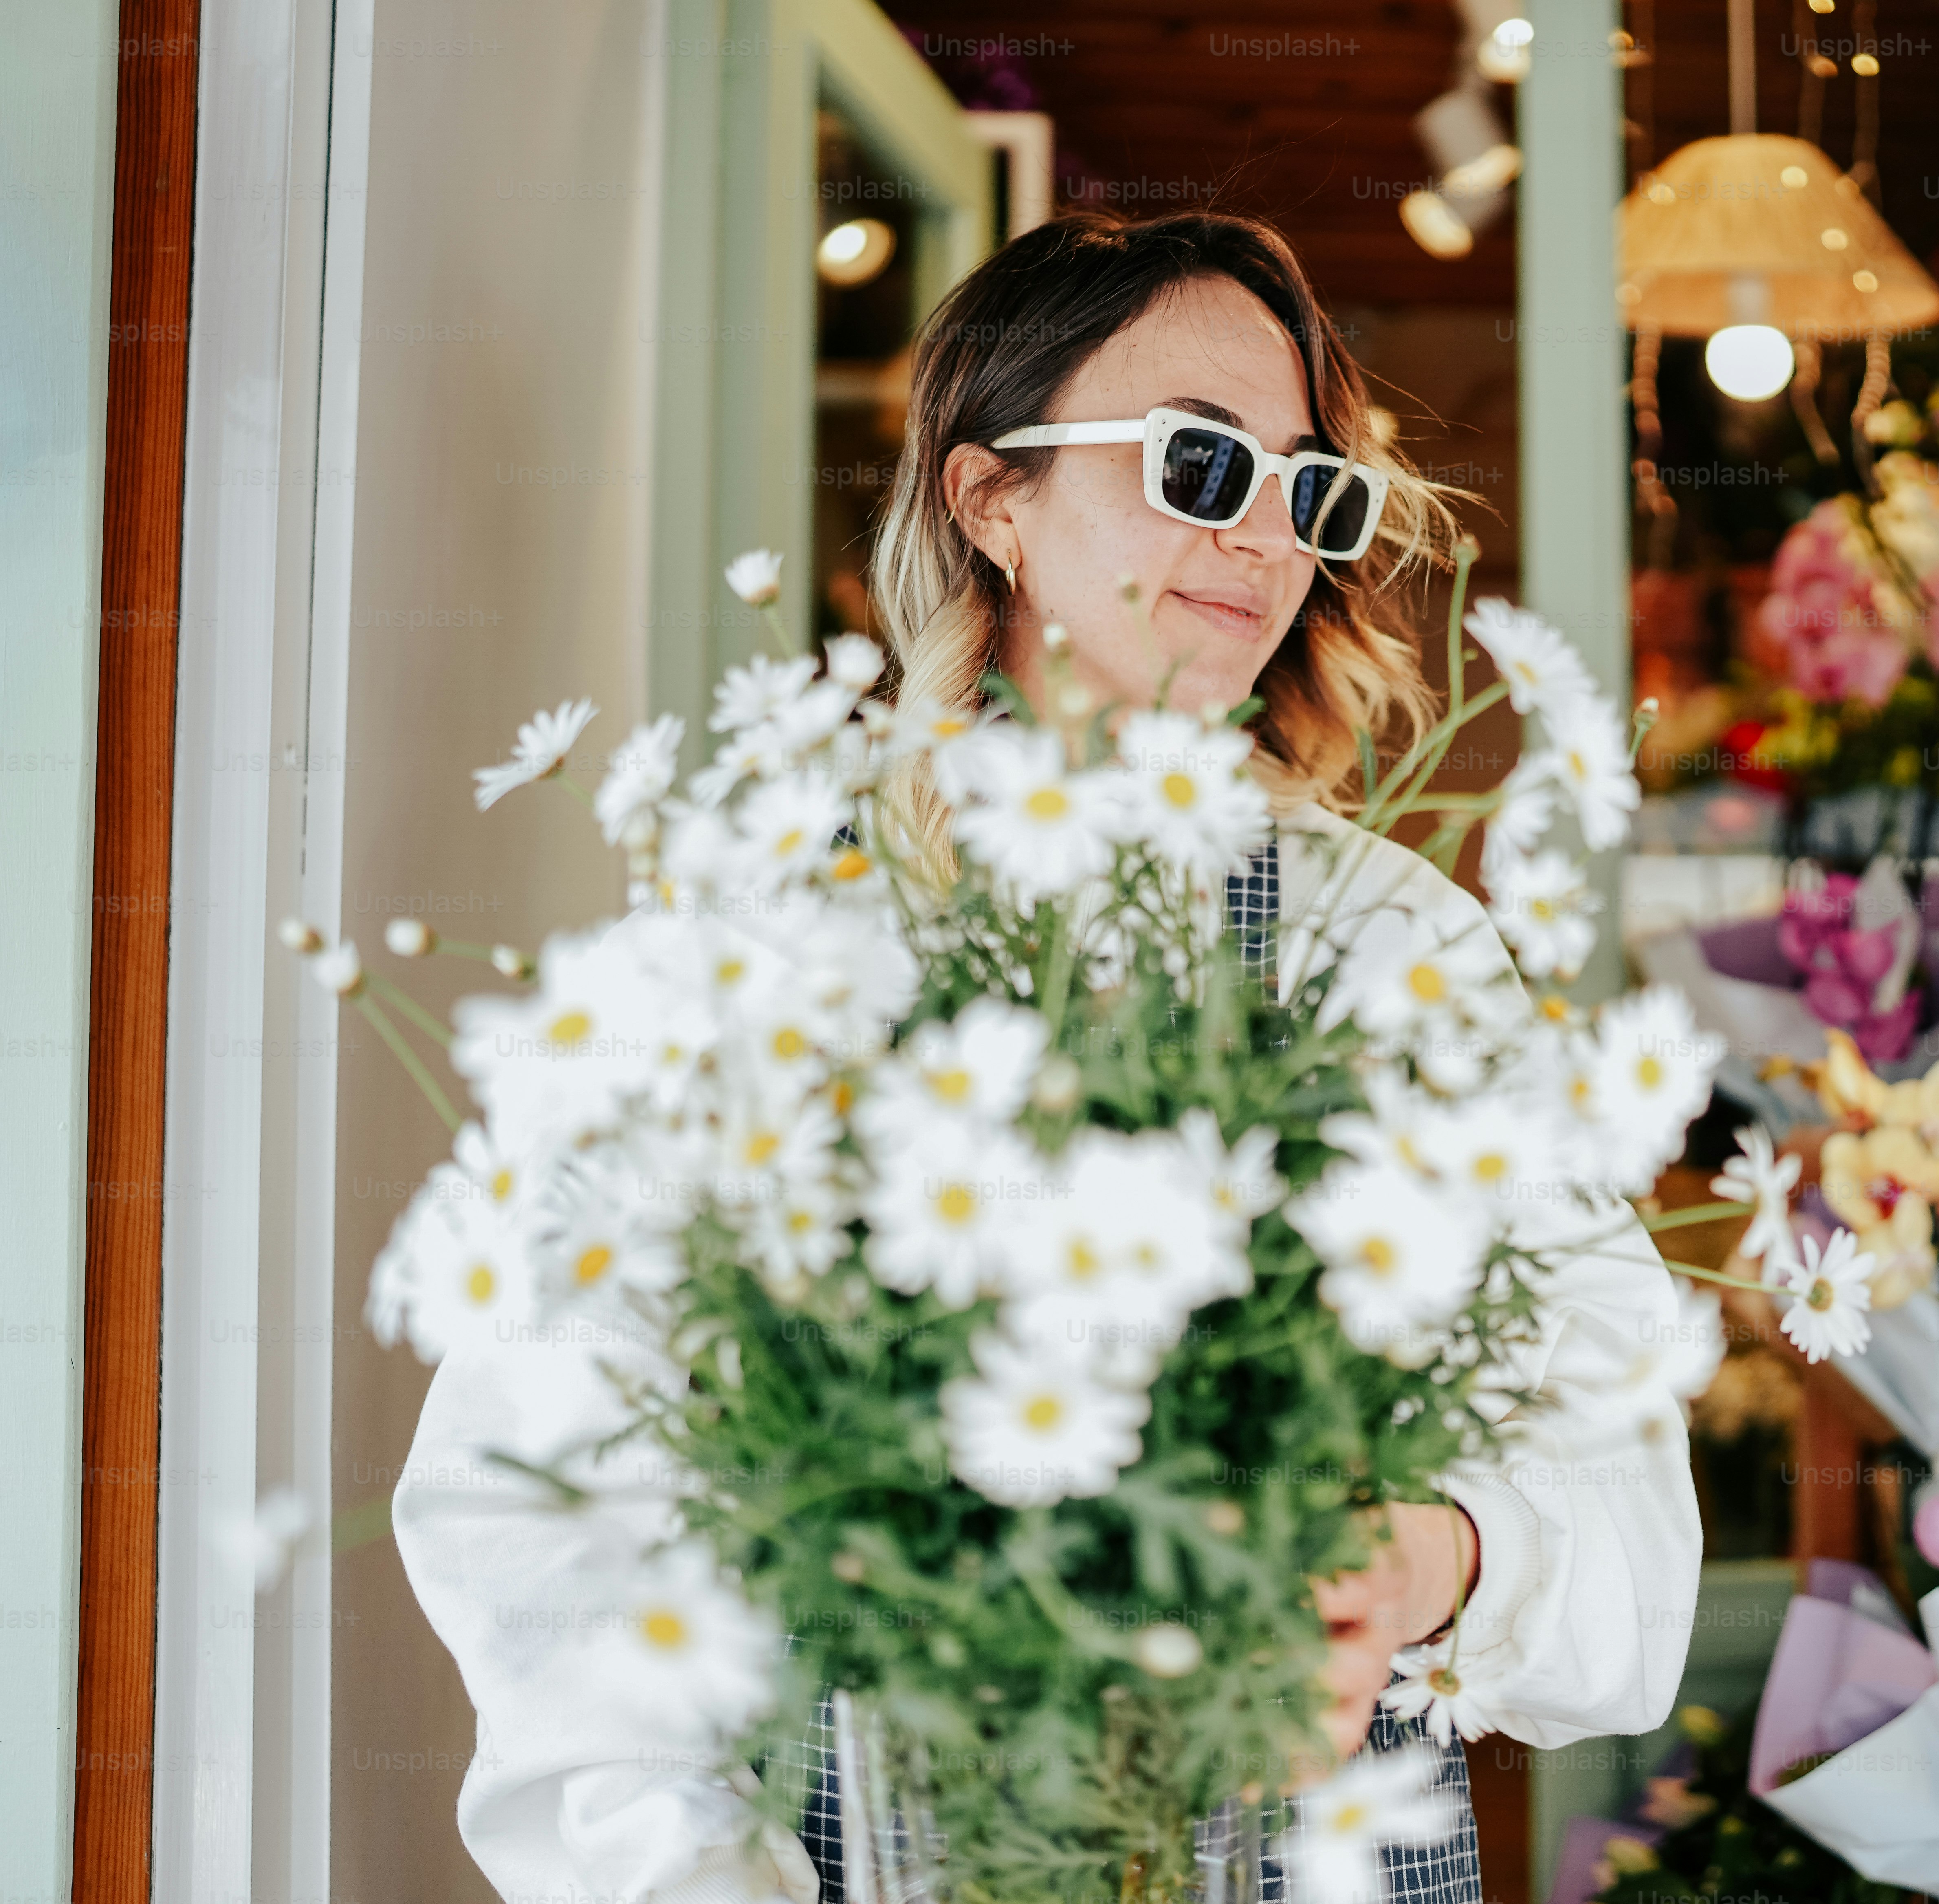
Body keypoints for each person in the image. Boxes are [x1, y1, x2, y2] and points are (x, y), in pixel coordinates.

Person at [394, 209, 1704, 1904]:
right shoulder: (775, 940)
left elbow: (1623, 1485)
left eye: (1308, 490)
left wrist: (1439, 1556)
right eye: (1196, 462)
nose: (1259, 539)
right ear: (991, 495)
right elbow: (547, 1506)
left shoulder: (1390, 947)